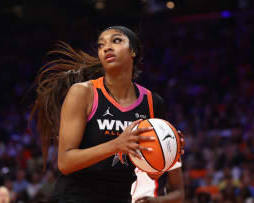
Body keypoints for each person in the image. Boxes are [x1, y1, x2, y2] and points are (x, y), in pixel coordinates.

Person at [30, 26, 184, 203]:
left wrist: (169, 151)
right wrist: (116, 145)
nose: (107, 47)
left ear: (133, 51)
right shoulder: (83, 93)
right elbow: (65, 163)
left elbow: (152, 172)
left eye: (116, 41)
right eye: (101, 45)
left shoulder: (152, 102)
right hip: (75, 197)